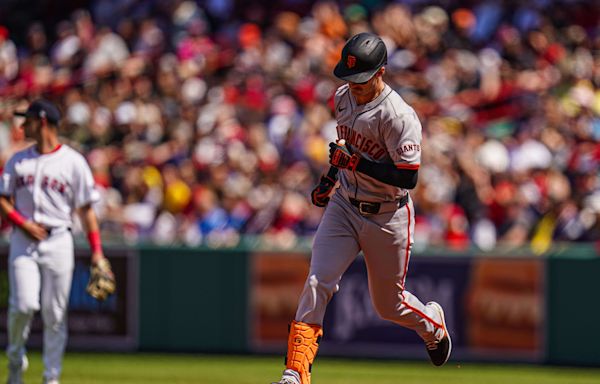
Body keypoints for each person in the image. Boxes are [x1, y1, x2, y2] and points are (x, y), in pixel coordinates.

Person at [271, 33, 451, 384]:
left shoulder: (399, 116)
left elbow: (408, 177)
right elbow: (345, 146)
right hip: (344, 205)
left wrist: (354, 163)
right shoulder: (342, 97)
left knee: (389, 305)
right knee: (316, 281)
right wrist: (330, 179)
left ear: (381, 72)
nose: (354, 86)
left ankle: (432, 326)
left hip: (388, 214)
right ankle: (296, 373)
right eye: (349, 79)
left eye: (361, 80)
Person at [0, 99, 111, 384]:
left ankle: (52, 377)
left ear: (43, 121)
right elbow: (2, 198)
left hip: (60, 239)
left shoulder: (73, 162)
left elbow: (86, 210)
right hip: (24, 241)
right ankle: (15, 359)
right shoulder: (18, 160)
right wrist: (22, 222)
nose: (23, 126)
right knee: (23, 305)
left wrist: (97, 252)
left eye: (28, 120)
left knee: (55, 314)